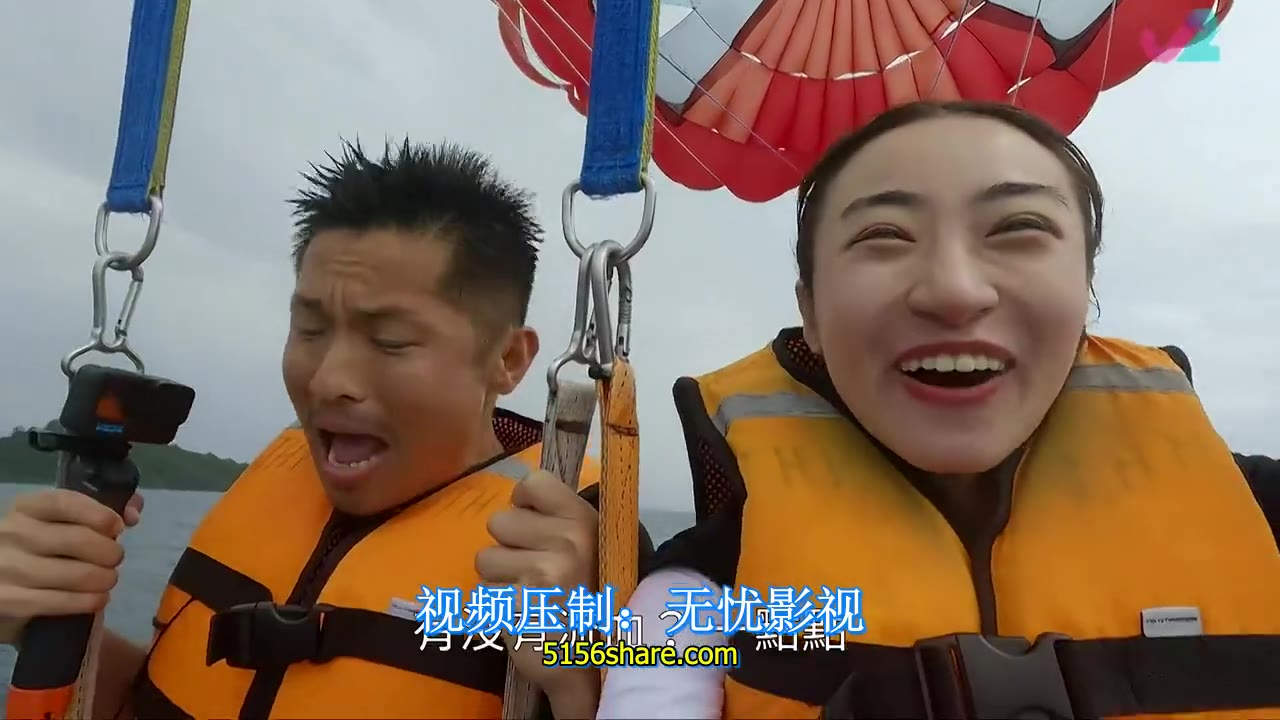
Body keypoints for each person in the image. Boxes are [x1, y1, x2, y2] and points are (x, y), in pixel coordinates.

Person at [596, 101, 1280, 719]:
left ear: (1086, 285)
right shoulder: (701, 584)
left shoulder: (1255, 507)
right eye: (885, 236)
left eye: (1018, 227)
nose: (954, 290)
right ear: (811, 313)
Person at [0, 140, 651, 719]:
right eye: (309, 329)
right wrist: (50, 623)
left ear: (507, 360)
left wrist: (585, 691)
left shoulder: (586, 547)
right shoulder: (279, 470)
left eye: (390, 341)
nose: (328, 378)